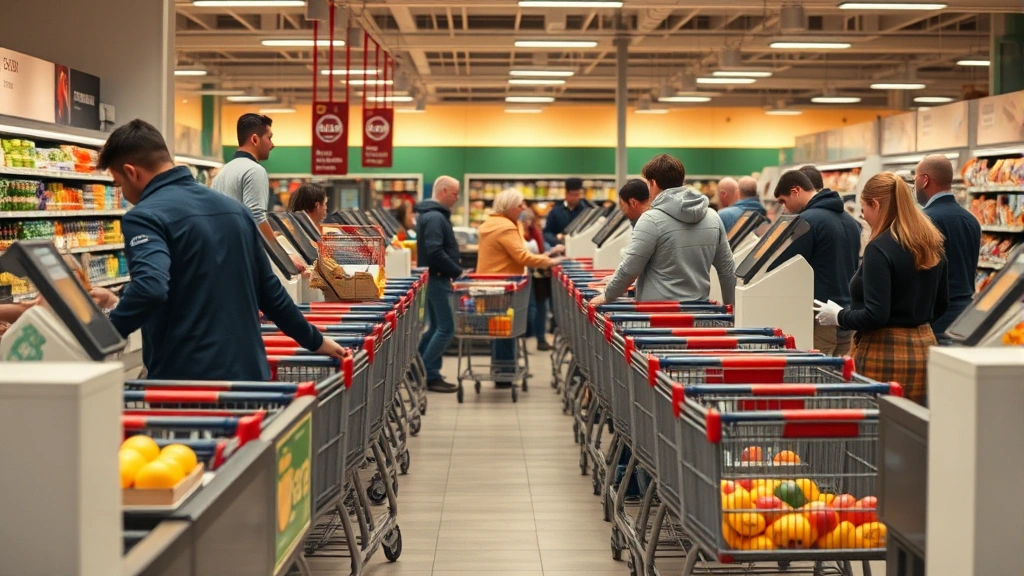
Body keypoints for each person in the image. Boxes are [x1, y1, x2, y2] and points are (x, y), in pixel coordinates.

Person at [87, 119, 345, 380]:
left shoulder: (144, 216)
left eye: (119, 185)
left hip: (188, 384)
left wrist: (102, 339)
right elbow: (270, 292)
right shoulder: (235, 210)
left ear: (132, 172)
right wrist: (315, 340)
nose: (124, 194)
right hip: (250, 378)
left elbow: (151, 288)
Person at [814, 172, 948, 405]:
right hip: (925, 349)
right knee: (913, 429)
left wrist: (840, 316)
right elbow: (942, 303)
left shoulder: (880, 247)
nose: (865, 218)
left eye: (864, 210)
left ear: (876, 204)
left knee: (876, 428)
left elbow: (876, 315)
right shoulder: (931, 241)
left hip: (884, 353)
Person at [591, 154, 736, 306]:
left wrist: (607, 295)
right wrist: (730, 308)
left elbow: (630, 269)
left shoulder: (650, 220)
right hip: (698, 315)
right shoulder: (713, 217)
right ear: (682, 181)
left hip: (657, 316)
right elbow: (727, 269)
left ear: (653, 183)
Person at [770, 170, 862, 356]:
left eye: (783, 201)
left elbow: (783, 269)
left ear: (796, 191)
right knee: (840, 377)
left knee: (817, 374)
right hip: (847, 315)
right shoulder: (851, 222)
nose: (784, 208)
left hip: (820, 316)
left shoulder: (806, 222)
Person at [478, 189, 564, 383]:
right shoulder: (505, 227)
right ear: (509, 207)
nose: (524, 208)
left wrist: (545, 256)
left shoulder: (492, 223)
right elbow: (522, 256)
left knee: (499, 329)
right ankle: (504, 372)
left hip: (491, 284)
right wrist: (550, 261)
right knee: (505, 330)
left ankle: (503, 369)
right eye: (520, 205)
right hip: (504, 285)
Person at [211, 113, 306, 272]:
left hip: (222, 256)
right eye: (269, 138)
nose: (272, 144)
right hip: (244, 259)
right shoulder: (254, 170)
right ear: (255, 139)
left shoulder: (223, 172)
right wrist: (284, 256)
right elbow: (256, 217)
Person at [917, 154, 981, 342]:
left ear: (925, 180)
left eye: (916, 179)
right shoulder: (971, 220)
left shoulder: (925, 220)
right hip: (964, 315)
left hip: (936, 319)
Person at [415, 176, 463, 393]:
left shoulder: (430, 214)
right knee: (446, 328)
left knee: (435, 327)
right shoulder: (435, 217)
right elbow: (435, 250)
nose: (457, 198)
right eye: (455, 193)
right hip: (438, 277)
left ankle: (417, 369)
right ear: (443, 191)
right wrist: (455, 269)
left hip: (433, 277)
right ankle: (428, 373)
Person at [520, 207, 554, 350]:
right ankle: (525, 337)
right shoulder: (517, 234)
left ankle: (540, 338)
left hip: (539, 275)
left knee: (541, 307)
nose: (528, 223)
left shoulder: (536, 233)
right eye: (524, 220)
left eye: (529, 220)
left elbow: (542, 249)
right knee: (528, 309)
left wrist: (547, 256)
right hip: (525, 275)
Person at [543, 177, 590, 247]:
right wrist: (556, 239)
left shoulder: (585, 211)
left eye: (578, 195)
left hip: (581, 246)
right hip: (560, 247)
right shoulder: (555, 212)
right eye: (573, 195)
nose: (575, 198)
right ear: (566, 194)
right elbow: (547, 233)